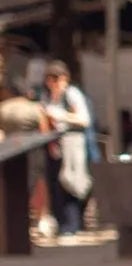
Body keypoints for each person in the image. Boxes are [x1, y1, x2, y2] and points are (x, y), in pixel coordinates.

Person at [38, 60, 93, 240]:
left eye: (56, 78)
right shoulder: (47, 98)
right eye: (49, 78)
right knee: (54, 184)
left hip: (71, 143)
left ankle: (72, 224)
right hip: (53, 145)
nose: (52, 83)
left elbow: (84, 119)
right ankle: (61, 223)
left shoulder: (72, 95)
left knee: (71, 182)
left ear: (64, 79)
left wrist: (62, 116)